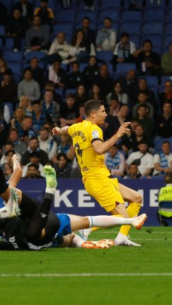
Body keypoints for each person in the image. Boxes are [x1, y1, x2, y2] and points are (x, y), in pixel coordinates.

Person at [0, 139, 147, 250]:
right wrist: (15, 160)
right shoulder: (1, 194)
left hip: (32, 232)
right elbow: (17, 174)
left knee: (64, 236)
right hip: (37, 216)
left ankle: (83, 239)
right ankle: (126, 222)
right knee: (86, 221)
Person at [52, 100, 144, 246]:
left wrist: (58, 129)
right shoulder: (94, 130)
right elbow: (99, 149)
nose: (106, 114)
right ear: (93, 114)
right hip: (97, 178)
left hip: (99, 177)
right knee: (123, 215)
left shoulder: (77, 127)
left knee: (136, 198)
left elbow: (66, 129)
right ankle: (117, 236)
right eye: (103, 111)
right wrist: (118, 134)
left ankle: (101, 232)